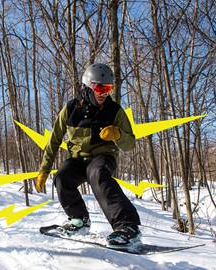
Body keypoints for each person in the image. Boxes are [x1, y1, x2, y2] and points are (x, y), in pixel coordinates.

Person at [36, 63, 141, 247]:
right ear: (88, 86)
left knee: (97, 173)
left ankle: (128, 227)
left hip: (102, 158)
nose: (104, 93)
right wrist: (44, 169)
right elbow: (54, 140)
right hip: (78, 160)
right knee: (62, 177)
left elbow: (130, 144)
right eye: (100, 88)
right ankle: (79, 220)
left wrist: (117, 135)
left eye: (108, 88)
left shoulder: (115, 111)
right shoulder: (70, 109)